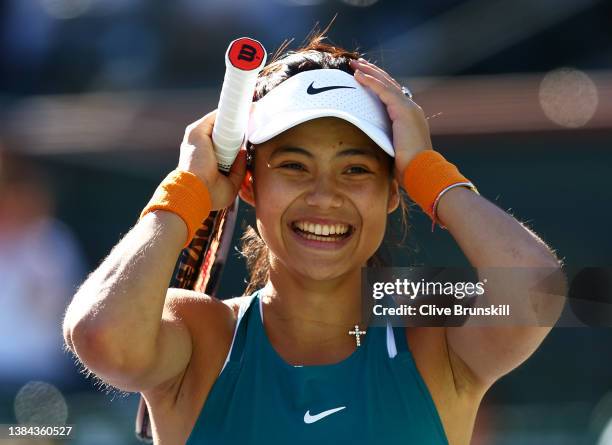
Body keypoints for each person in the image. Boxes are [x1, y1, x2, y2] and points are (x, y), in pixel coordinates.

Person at [63, 32, 565, 445]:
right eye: (294, 166)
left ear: (395, 191)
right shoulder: (203, 333)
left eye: (355, 170)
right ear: (249, 183)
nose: (325, 196)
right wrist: (187, 191)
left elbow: (537, 291)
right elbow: (101, 336)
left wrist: (430, 173)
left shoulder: (427, 331)